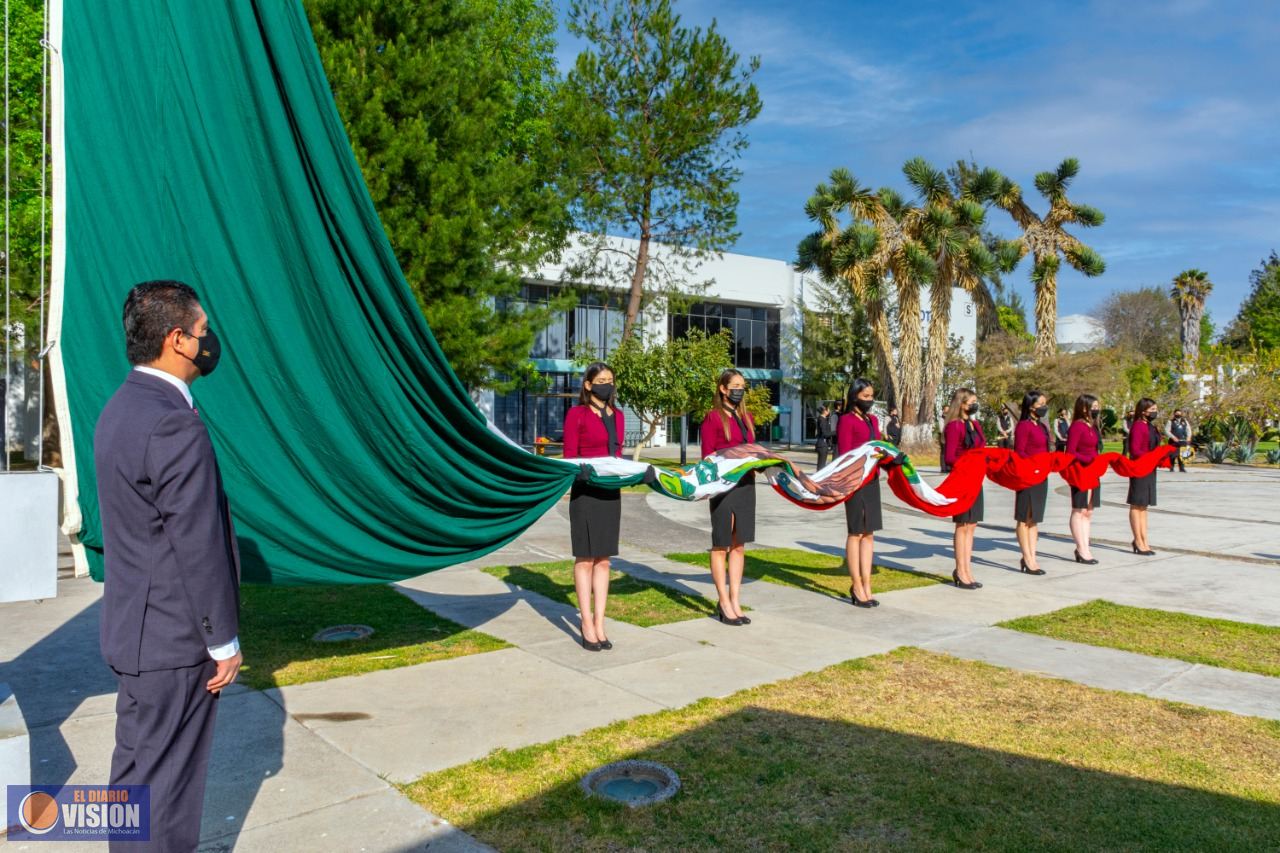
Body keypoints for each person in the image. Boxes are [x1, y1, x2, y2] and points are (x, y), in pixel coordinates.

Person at [95, 281, 241, 852]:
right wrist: (222, 640)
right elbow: (196, 541)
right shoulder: (173, 422)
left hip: (134, 637)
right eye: (203, 332)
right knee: (167, 800)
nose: (209, 342)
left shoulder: (119, 408)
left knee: (133, 787)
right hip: (173, 642)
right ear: (177, 340)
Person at [562, 362, 626, 651]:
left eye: (610, 380)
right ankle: (585, 622)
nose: (606, 384)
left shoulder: (620, 416)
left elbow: (618, 456)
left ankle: (600, 622)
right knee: (585, 558)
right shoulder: (576, 414)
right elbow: (569, 457)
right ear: (588, 385)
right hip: (586, 494)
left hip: (611, 494)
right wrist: (580, 471)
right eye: (601, 380)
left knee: (604, 560)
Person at [700, 369, 756, 626]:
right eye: (735, 385)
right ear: (723, 388)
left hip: (746, 486)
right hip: (723, 487)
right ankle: (723, 601)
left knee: (739, 544)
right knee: (721, 544)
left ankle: (735, 599)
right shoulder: (712, 418)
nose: (739, 390)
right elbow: (707, 458)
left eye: (742, 386)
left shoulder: (747, 417)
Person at [837, 378, 883, 607]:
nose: (870, 400)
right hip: (855, 482)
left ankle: (867, 584)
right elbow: (844, 454)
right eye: (865, 396)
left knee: (869, 533)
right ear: (854, 396)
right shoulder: (846, 421)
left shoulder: (873, 420)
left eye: (872, 396)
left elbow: (880, 446)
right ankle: (856, 584)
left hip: (873, 481)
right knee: (856, 532)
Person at [942, 388, 985, 590]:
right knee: (962, 524)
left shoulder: (974, 424)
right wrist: (968, 462)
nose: (974, 406)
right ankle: (960, 570)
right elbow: (950, 457)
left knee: (972, 525)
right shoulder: (954, 426)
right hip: (962, 478)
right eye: (971, 402)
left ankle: (968, 569)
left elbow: (982, 446)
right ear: (961, 404)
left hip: (976, 478)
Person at [1013, 390, 1051, 575]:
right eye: (1040, 404)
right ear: (1030, 406)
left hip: (1041, 476)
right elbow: (1019, 452)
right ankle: (1027, 558)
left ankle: (1032, 557)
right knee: (1024, 518)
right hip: (1028, 475)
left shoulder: (1042, 427)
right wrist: (1033, 465)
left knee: (1034, 519)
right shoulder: (1023, 426)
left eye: (1045, 404)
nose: (1044, 407)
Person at [1066, 394, 1104, 564]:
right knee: (1079, 510)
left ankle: (1086, 546)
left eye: (1097, 406)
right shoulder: (1077, 427)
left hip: (1093, 471)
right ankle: (1081, 549)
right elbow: (1071, 452)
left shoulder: (1093, 426)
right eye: (1093, 406)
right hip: (1081, 471)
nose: (1096, 409)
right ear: (1083, 408)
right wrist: (1087, 459)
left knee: (1088, 511)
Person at [1126, 398, 1159, 556]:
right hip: (1140, 468)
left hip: (1150, 468)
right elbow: (1135, 450)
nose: (1154, 412)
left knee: (1144, 507)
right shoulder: (1138, 426)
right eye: (1152, 409)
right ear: (1143, 410)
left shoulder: (1151, 426)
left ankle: (1144, 539)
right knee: (1136, 504)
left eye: (1155, 409)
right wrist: (1151, 457)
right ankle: (1138, 540)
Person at [815, 402, 836, 469]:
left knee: (822, 464)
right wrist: (835, 432)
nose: (829, 411)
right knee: (821, 465)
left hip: (823, 444)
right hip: (822, 444)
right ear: (825, 411)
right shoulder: (822, 419)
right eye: (828, 409)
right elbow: (825, 433)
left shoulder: (823, 419)